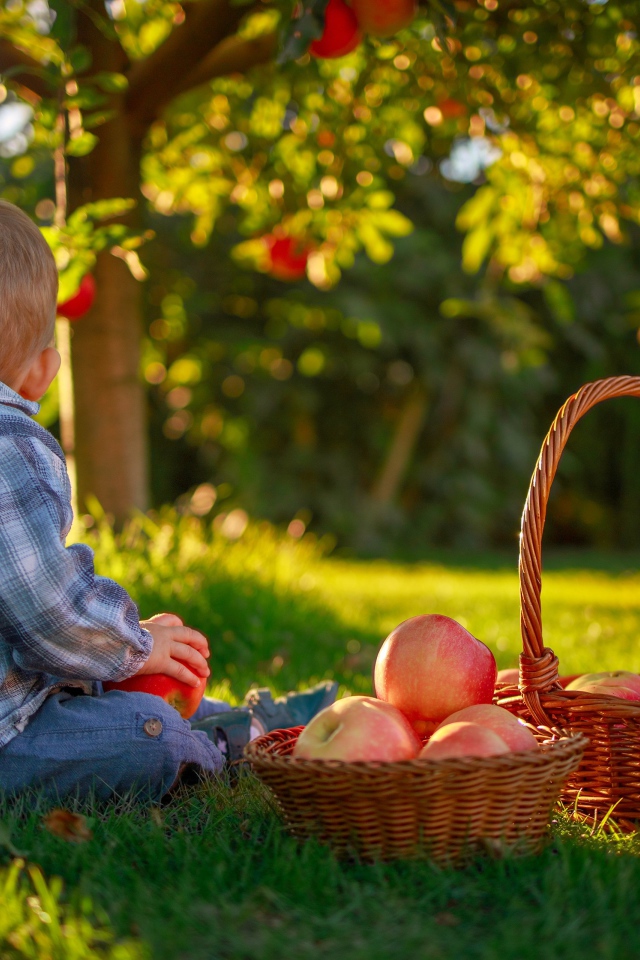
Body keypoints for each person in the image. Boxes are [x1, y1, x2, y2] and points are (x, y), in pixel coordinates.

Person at [0, 200, 337, 802]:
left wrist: (128, 657)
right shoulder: (7, 451)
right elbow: (52, 614)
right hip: (10, 739)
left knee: (115, 686)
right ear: (42, 372)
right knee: (144, 735)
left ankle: (242, 721)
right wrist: (139, 642)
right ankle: (235, 743)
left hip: (23, 695)